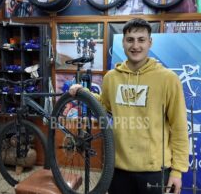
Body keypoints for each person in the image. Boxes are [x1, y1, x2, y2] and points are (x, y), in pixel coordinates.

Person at [69, 18, 189, 194]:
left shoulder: (168, 79)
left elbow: (179, 128)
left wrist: (177, 172)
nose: (136, 45)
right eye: (130, 39)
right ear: (123, 42)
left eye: (141, 40)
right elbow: (104, 106)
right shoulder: (111, 77)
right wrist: (84, 93)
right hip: (117, 169)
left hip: (155, 170)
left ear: (150, 42)